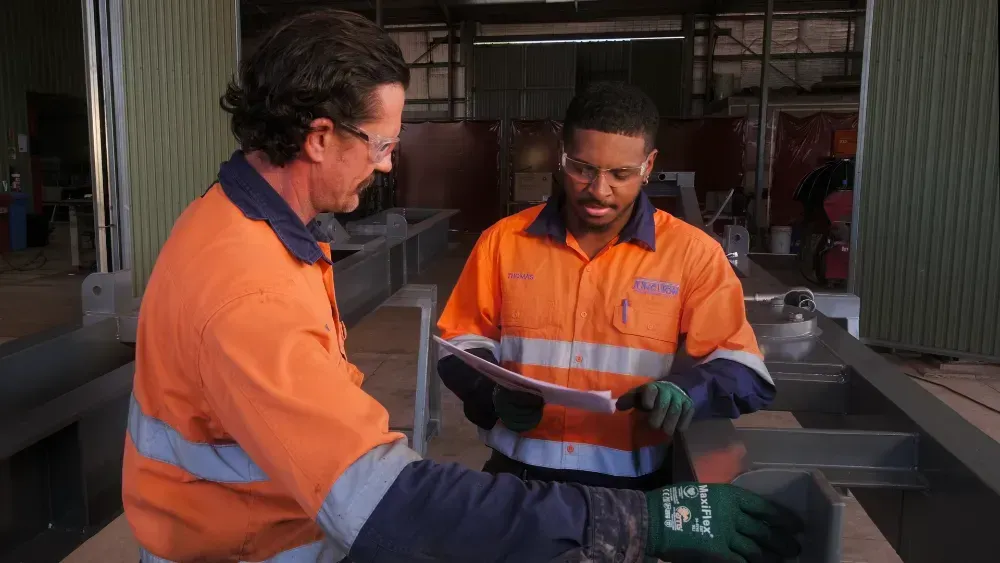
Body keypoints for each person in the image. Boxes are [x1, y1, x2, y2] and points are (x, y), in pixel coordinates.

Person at [122, 10, 801, 563]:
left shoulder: (241, 228)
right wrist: (639, 524)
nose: (388, 163)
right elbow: (392, 503)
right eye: (383, 143)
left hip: (268, 530)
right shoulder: (251, 288)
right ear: (321, 137)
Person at [437, 81, 775, 490]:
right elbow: (461, 343)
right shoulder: (503, 242)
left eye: (621, 174)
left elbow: (744, 370)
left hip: (633, 485)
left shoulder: (693, 255)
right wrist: (490, 393)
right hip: (518, 476)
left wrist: (687, 390)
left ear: (649, 166)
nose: (599, 190)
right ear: (562, 157)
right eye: (582, 168)